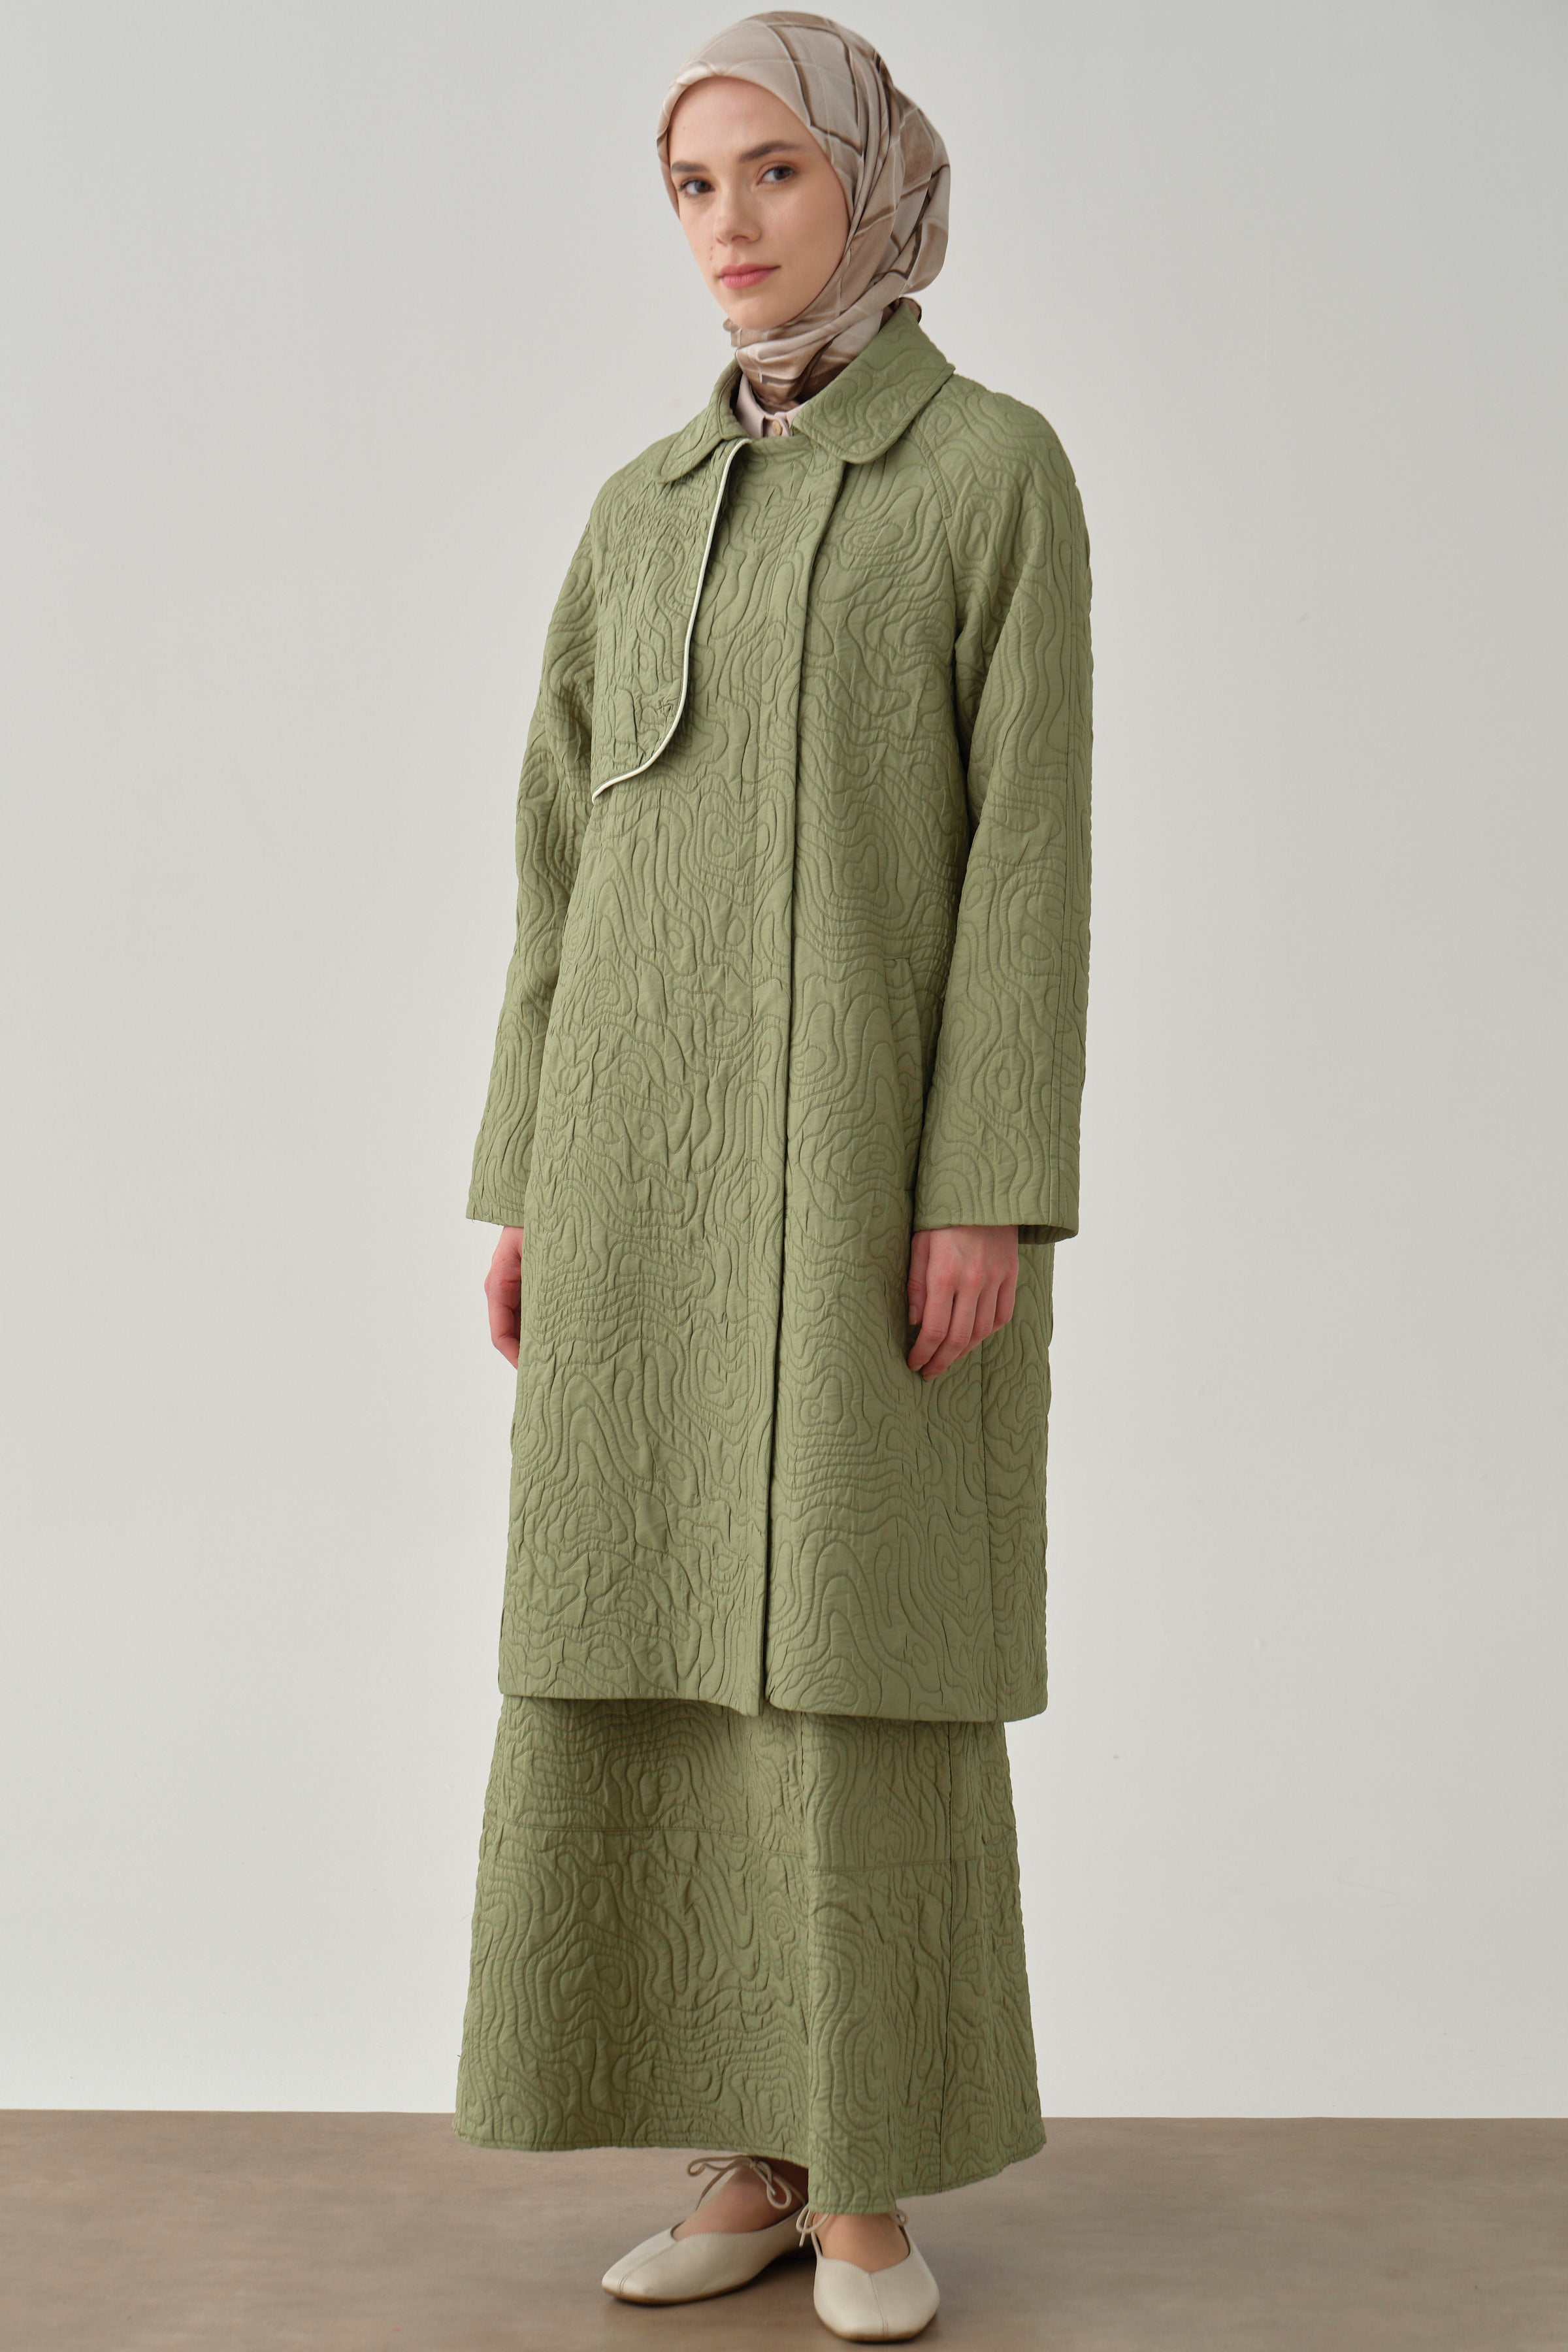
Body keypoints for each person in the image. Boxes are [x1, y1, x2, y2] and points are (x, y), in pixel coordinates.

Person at [454, 12, 1092, 2342]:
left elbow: (1029, 858)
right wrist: (527, 1174)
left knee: (852, 1647)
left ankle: (869, 2180)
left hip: (860, 1186)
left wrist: (984, 1182)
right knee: (649, 1644)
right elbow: (556, 864)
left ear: (873, 184)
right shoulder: (640, 509)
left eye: (773, 175)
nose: (727, 226)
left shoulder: (990, 473)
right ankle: (743, 2150)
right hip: (634, 1180)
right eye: (690, 186)